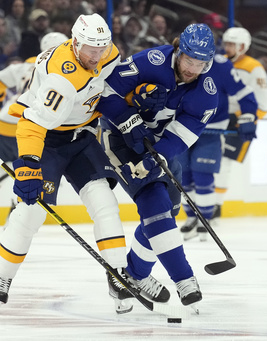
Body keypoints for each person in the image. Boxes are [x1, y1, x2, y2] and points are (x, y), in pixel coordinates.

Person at [0, 14, 134, 315]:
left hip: (81, 137)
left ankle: (117, 275)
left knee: (105, 203)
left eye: (102, 47)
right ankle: (2, 277)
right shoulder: (62, 78)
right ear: (75, 43)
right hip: (47, 141)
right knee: (30, 214)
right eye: (92, 49)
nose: (98, 55)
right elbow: (31, 124)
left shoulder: (109, 53)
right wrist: (27, 166)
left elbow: (112, 86)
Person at [97, 23, 219, 308]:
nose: (193, 69)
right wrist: (128, 119)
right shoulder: (149, 61)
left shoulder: (206, 90)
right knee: (154, 201)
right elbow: (105, 92)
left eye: (201, 64)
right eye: (189, 60)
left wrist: (159, 155)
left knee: (168, 212)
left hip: (159, 146)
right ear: (179, 51)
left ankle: (131, 275)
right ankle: (184, 279)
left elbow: (183, 135)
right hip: (117, 139)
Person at [0, 32, 69, 222]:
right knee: (29, 169)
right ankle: (14, 211)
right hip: (32, 125)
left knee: (10, 165)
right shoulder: (62, 69)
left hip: (7, 121)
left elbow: (1, 77)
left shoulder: (26, 65)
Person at [208, 27, 267, 224]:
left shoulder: (253, 67)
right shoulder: (220, 63)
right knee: (210, 161)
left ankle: (216, 205)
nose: (227, 47)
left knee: (224, 163)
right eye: (226, 43)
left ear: (243, 46)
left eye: (232, 44)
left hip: (239, 122)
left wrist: (246, 120)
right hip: (218, 118)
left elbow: (263, 104)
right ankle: (209, 204)